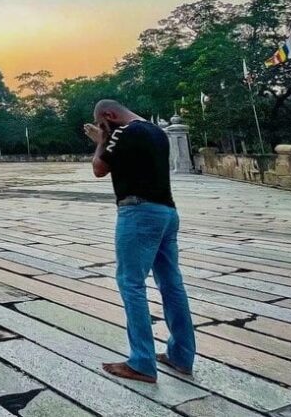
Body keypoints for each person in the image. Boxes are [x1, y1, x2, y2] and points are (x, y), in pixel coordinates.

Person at [84, 99, 196, 383]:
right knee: (171, 283)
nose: (103, 128)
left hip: (138, 212)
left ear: (109, 116)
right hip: (167, 212)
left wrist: (102, 140)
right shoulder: (158, 132)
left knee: (130, 283)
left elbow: (99, 168)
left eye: (102, 123)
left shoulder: (122, 132)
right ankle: (181, 356)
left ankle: (142, 362)